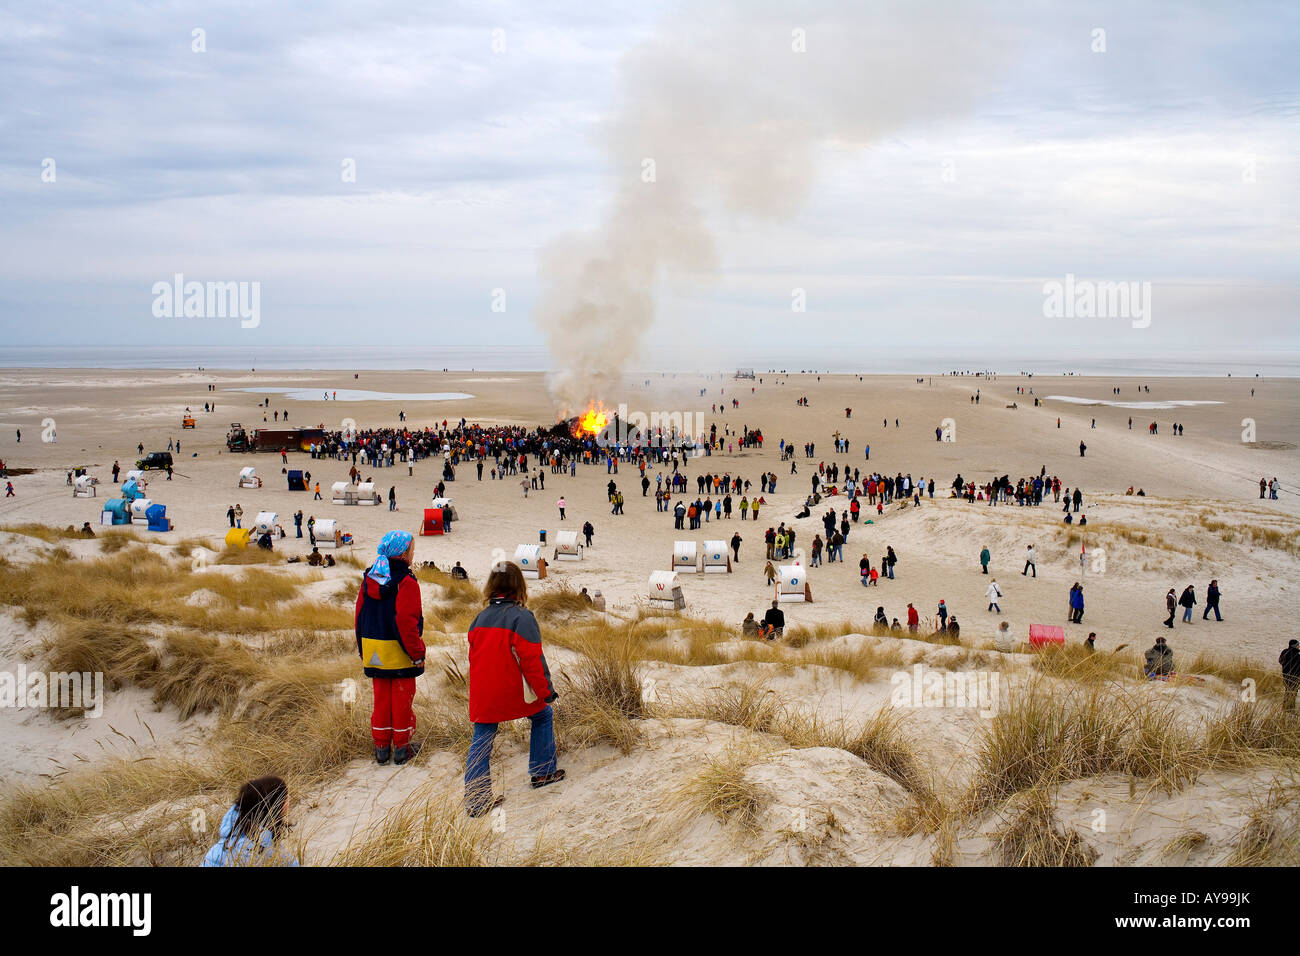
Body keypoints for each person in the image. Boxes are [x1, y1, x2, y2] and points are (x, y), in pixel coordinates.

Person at [465, 561, 562, 816]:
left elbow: (474, 658)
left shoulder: (479, 618)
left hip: (484, 694)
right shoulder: (522, 617)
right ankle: (543, 771)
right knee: (543, 715)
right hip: (513, 693)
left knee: (482, 738)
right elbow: (532, 662)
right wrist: (546, 692)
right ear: (519, 586)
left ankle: (476, 800)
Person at [355, 531, 427, 766]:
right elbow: (406, 623)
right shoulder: (406, 582)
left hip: (374, 650)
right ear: (404, 554)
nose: (413, 554)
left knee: (381, 699)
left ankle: (382, 747)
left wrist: (363, 650)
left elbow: (359, 616)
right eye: (412, 550)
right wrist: (417, 654)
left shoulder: (370, 578)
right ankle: (402, 748)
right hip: (399, 651)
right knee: (402, 699)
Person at [201, 776, 299, 867]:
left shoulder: (257, 837)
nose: (289, 799)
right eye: (285, 796)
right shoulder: (246, 848)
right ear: (273, 803)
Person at [1281, 639, 1300, 713]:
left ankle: (1285, 708)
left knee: (1287, 691)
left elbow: (1280, 661)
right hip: (1295, 677)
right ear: (1294, 646)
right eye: (1298, 645)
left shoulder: (1284, 652)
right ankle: (1290, 709)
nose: (1299, 646)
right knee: (1293, 692)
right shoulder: (1297, 655)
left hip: (1285, 676)